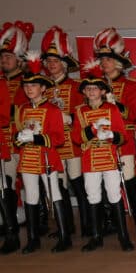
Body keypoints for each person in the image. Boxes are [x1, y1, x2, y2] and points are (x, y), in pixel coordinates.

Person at [71, 60, 134, 252]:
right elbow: (76, 138)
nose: (91, 91)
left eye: (95, 88)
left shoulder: (112, 109)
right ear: (84, 92)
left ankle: (124, 236)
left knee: (115, 194)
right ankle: (96, 237)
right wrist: (91, 129)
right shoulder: (79, 111)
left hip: (109, 158)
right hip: (90, 160)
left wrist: (112, 135)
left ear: (102, 91)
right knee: (93, 196)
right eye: (88, 88)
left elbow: (123, 136)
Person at [13, 50, 70, 253]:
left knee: (54, 194)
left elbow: (59, 139)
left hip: (46, 158)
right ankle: (32, 238)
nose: (29, 89)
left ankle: (65, 237)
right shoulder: (22, 109)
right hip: (28, 158)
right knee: (31, 196)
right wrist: (19, 138)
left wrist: (35, 138)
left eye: (33, 85)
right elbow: (16, 133)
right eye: (26, 86)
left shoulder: (53, 110)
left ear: (43, 88)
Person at [94, 27, 136, 236]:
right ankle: (110, 222)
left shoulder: (130, 84)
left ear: (116, 62)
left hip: (123, 139)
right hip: (101, 141)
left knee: (129, 179)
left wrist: (113, 103)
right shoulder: (94, 86)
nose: (103, 63)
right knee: (105, 180)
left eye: (107, 59)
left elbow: (132, 114)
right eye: (102, 60)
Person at [40, 26, 89, 238]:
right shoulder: (41, 88)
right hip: (54, 143)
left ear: (64, 64)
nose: (52, 65)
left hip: (73, 143)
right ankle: (65, 226)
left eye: (55, 61)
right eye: (49, 62)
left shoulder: (76, 86)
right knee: (58, 185)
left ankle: (88, 225)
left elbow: (82, 115)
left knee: (78, 184)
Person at [0, 24, 30, 254]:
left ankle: (23, 231)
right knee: (5, 187)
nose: (4, 60)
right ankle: (8, 226)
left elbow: (24, 112)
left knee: (21, 186)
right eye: (2, 57)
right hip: (3, 140)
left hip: (19, 141)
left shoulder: (27, 82)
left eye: (8, 56)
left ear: (19, 59)